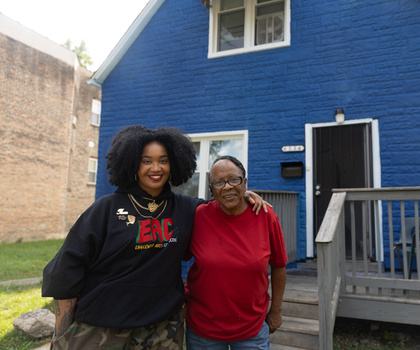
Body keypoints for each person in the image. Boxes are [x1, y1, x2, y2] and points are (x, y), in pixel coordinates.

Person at [42, 125, 267, 350]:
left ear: (174, 164)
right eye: (146, 161)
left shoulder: (188, 209)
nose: (156, 168)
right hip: (102, 327)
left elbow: (222, 204)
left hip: (162, 329)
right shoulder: (105, 209)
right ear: (132, 163)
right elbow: (65, 272)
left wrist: (241, 194)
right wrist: (62, 335)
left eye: (163, 160)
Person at [185, 155, 287, 350]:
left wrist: (276, 311)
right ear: (211, 189)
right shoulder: (198, 216)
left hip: (252, 328)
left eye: (234, 179)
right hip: (203, 329)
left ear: (245, 182)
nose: (227, 187)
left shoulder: (266, 216)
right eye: (218, 182)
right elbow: (171, 254)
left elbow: (279, 265)